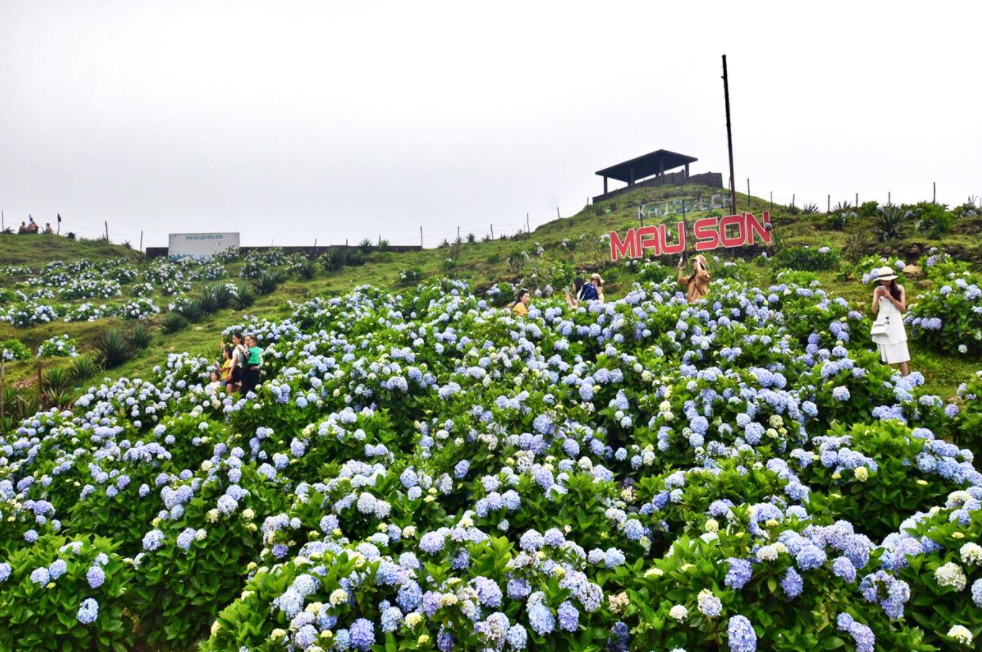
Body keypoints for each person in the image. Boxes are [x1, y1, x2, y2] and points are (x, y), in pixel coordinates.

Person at [870, 265, 910, 377]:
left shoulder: (899, 288)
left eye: (887, 281)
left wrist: (890, 297)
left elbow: (902, 308)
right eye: (882, 281)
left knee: (901, 355)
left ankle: (905, 379)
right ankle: (890, 380)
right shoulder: (877, 290)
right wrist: (877, 297)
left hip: (895, 322)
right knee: (886, 355)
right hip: (882, 322)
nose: (884, 283)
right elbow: (873, 310)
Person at [227, 332, 248, 396]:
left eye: (235, 339)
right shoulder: (238, 347)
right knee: (233, 389)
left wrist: (230, 372)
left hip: (235, 368)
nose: (233, 340)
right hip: (236, 368)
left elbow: (236, 360)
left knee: (229, 386)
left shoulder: (239, 346)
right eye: (233, 339)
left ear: (239, 339)